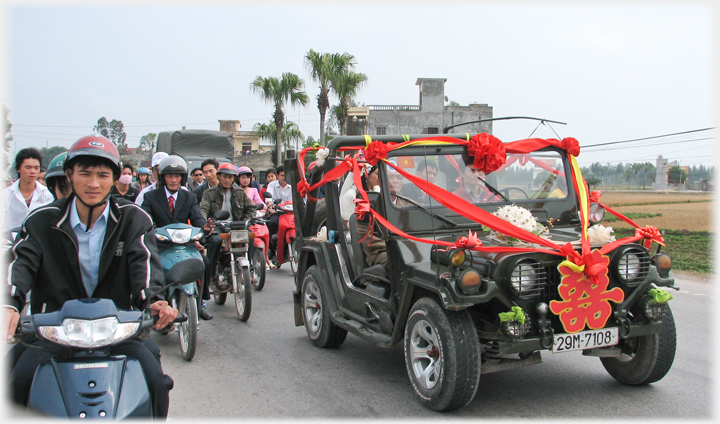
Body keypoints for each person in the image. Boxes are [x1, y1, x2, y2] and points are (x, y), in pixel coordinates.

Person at [4, 134, 178, 418]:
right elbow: (20, 263)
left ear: (114, 178)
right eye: (84, 173)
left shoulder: (134, 218)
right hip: (52, 331)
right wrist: (9, 304)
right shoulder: (41, 221)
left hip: (119, 329)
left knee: (156, 383)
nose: (93, 183)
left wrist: (154, 301)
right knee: (17, 383)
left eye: (103, 174)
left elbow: (144, 264)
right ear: (70, 175)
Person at [141, 155, 215, 320]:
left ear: (182, 178)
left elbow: (196, 217)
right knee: (150, 267)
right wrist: (147, 229)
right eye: (169, 176)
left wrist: (204, 226)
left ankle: (202, 302)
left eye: (177, 176)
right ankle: (152, 301)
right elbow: (144, 217)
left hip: (184, 243)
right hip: (160, 244)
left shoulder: (189, 197)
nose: (173, 180)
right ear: (163, 177)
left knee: (204, 262)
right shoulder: (151, 197)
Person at [199, 163, 256, 284]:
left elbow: (251, 207)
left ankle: (249, 268)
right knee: (214, 241)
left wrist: (246, 220)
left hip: (236, 226)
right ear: (219, 176)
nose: (227, 180)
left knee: (250, 238)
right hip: (217, 226)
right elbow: (203, 209)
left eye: (230, 177)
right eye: (224, 176)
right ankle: (210, 272)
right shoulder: (209, 193)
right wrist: (206, 222)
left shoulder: (240, 192)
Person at [355, 161, 410, 268]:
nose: (395, 181)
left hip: (407, 250)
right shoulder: (367, 206)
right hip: (381, 253)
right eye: (390, 177)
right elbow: (369, 239)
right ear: (380, 181)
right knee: (401, 262)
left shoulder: (409, 204)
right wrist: (398, 249)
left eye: (399, 177)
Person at [2, 148, 54, 231]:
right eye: (28, 167)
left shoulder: (48, 194)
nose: (32, 171)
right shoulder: (5, 195)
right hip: (10, 240)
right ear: (18, 169)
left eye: (36, 168)